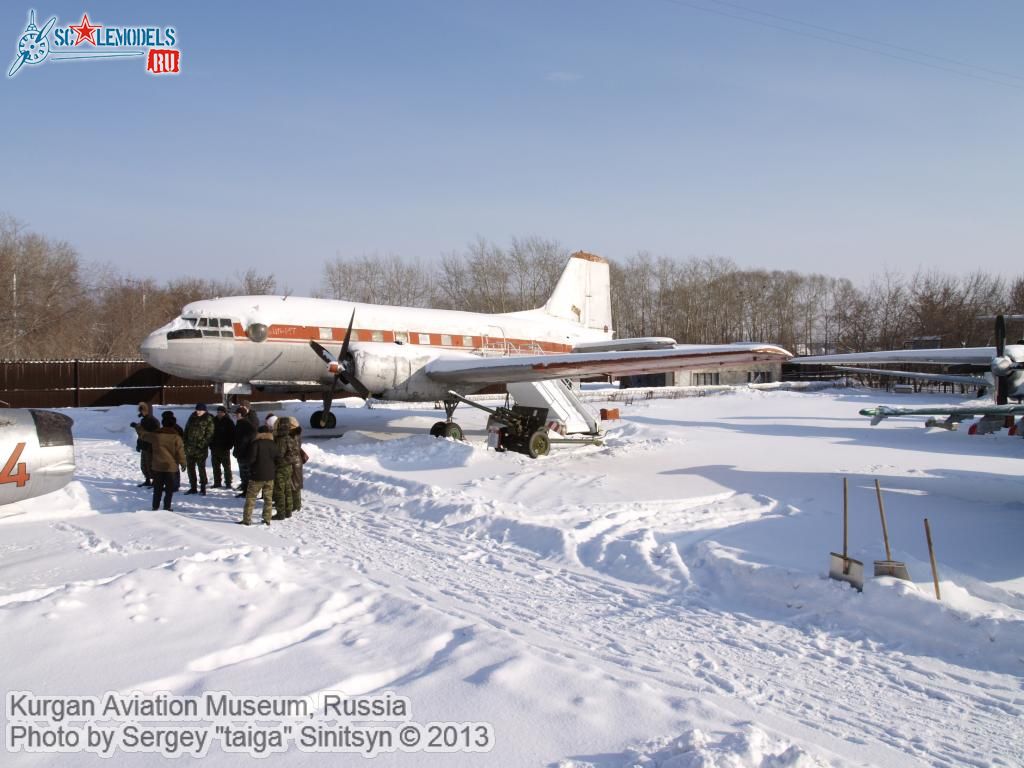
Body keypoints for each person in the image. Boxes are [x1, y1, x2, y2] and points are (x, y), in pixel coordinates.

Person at [135, 411, 186, 511]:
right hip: (170, 467)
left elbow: (144, 435)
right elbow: (180, 452)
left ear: (163, 423)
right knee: (169, 490)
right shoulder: (176, 438)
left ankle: (155, 507)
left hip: (157, 466)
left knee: (157, 489)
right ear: (173, 424)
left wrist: (138, 427)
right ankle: (167, 507)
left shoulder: (156, 435)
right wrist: (183, 463)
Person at [241, 425, 278, 526]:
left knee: (251, 498)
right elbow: (277, 458)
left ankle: (247, 519)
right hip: (270, 476)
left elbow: (251, 459)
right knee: (268, 499)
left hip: (257, 475)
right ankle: (267, 518)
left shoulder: (256, 444)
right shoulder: (273, 444)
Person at [183, 403, 215, 495]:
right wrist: (185, 442)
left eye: (200, 410)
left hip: (201, 449)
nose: (198, 412)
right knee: (190, 468)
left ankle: (203, 487)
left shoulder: (208, 418)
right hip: (190, 448)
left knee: (201, 468)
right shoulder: (192, 417)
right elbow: (186, 430)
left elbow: (210, 434)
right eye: (197, 410)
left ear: (204, 410)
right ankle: (193, 487)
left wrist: (202, 444)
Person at [272, 417, 299, 520]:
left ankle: (281, 513)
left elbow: (279, 454)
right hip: (288, 467)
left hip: (280, 467)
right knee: (287, 489)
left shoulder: (280, 439)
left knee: (279, 491)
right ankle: (288, 511)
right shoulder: (290, 437)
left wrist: (276, 461)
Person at [131, 401, 159, 487]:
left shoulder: (153, 421)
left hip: (150, 446)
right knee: (144, 465)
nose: (141, 413)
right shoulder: (143, 420)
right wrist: (138, 444)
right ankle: (147, 480)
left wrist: (137, 427)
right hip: (144, 446)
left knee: (151, 464)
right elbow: (141, 435)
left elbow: (150, 434)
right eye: (140, 411)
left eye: (142, 411)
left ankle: (155, 481)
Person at [232, 404, 257, 497]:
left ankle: (247, 492)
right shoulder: (240, 423)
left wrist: (239, 450)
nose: (235, 416)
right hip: (241, 453)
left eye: (237, 414)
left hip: (245, 453)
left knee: (246, 473)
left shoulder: (245, 425)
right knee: (243, 473)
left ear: (241, 415)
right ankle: (244, 489)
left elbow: (246, 440)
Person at [210, 405, 236, 489]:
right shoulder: (213, 421)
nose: (219, 414)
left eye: (221, 412)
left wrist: (229, 446)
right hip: (214, 448)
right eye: (218, 412)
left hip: (224, 448)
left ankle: (228, 483)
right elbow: (210, 434)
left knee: (226, 467)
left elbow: (232, 435)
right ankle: (217, 482)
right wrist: (210, 445)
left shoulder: (229, 422)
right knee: (215, 467)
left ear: (224, 413)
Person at [289, 419, 305, 512]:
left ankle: (295, 505)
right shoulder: (297, 435)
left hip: (293, 461)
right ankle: (297, 504)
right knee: (296, 484)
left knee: (293, 484)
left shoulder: (292, 436)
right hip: (298, 461)